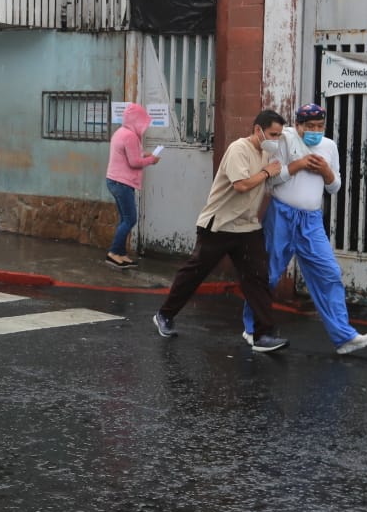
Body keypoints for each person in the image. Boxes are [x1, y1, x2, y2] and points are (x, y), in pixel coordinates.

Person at [152, 110, 289, 352]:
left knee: (258, 278)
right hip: (219, 225)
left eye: (279, 135)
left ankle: (262, 335)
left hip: (247, 226)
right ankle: (165, 314)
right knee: (194, 273)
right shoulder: (239, 149)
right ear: (258, 130)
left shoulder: (267, 151)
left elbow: (267, 180)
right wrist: (268, 172)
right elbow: (241, 185)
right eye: (273, 134)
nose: (276, 139)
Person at [252, 102, 367, 355]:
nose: (315, 130)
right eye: (310, 126)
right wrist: (298, 166)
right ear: (298, 125)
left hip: (311, 220)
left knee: (328, 273)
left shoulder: (328, 146)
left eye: (320, 126)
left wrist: (327, 172)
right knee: (269, 273)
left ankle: (344, 337)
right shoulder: (284, 141)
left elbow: (335, 186)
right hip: (282, 215)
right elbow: (271, 179)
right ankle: (251, 329)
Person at [104, 103, 161, 268]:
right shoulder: (130, 136)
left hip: (114, 181)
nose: (144, 126)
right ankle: (113, 253)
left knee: (124, 219)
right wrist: (152, 160)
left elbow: (131, 154)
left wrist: (145, 154)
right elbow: (134, 162)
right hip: (121, 182)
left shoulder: (120, 133)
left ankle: (121, 254)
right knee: (130, 219)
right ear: (136, 120)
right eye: (142, 121)